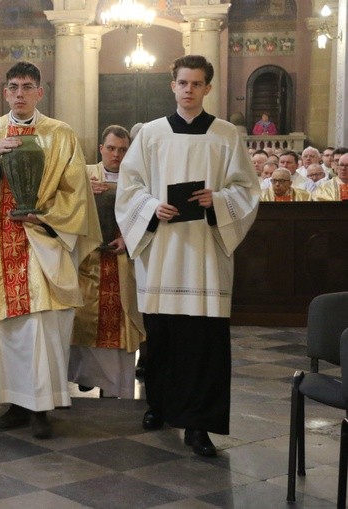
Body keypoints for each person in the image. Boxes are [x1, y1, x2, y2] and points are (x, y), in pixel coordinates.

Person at [0, 61, 99, 439]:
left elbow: (76, 192)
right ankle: (14, 401)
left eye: (27, 87)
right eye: (13, 87)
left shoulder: (61, 135)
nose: (19, 94)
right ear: (5, 91)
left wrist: (45, 218)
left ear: (39, 92)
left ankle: (42, 407)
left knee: (41, 331)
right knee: (6, 330)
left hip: (41, 243)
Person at [116, 55, 259, 457]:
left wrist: (218, 199)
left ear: (207, 88)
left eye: (197, 84)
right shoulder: (150, 134)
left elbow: (246, 191)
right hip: (162, 250)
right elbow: (129, 188)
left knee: (205, 343)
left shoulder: (226, 135)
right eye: (183, 83)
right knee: (162, 337)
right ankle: (158, 405)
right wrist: (150, 207)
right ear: (172, 86)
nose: (189, 90)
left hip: (205, 254)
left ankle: (200, 425)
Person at [69, 125, 146, 398]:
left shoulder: (137, 179)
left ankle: (114, 387)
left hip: (121, 262)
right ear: (101, 148)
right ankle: (87, 375)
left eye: (123, 149)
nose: (116, 154)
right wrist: (82, 191)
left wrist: (127, 239)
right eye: (111, 148)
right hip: (88, 262)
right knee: (83, 318)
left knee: (120, 320)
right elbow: (62, 205)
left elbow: (145, 214)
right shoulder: (83, 175)